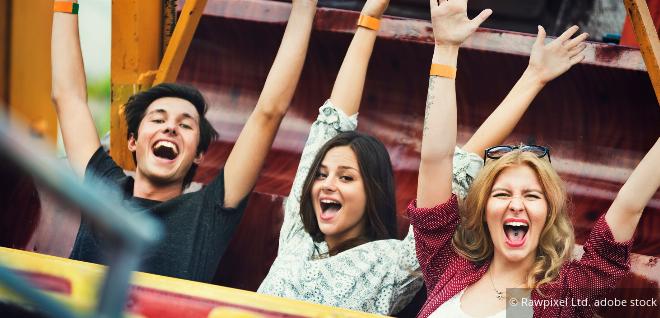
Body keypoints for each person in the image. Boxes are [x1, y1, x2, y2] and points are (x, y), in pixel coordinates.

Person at [257, 0, 587, 315]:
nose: (328, 184)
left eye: (346, 177)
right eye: (322, 175)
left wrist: (533, 78)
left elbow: (449, 163)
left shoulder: (393, 263)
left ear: (374, 192)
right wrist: (369, 19)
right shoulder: (298, 234)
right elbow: (332, 123)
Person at [409, 0, 660, 317]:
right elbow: (436, 160)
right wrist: (445, 49)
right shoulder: (450, 266)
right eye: (502, 194)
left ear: (549, 213)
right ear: (484, 211)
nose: (516, 204)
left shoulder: (554, 297)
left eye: (531, 195)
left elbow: (629, 203)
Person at [50, 0, 318, 282]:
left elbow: (269, 113)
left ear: (199, 155)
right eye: (157, 119)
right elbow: (67, 98)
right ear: (132, 141)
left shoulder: (207, 213)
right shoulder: (103, 188)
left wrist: (304, 8)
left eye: (185, 125)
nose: (170, 128)